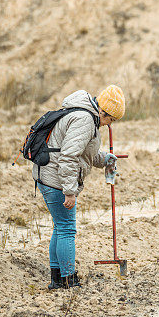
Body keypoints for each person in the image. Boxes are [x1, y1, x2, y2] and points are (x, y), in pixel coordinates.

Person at [34, 85, 126, 288]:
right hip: (55, 179)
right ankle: (68, 279)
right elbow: (68, 157)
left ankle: (57, 279)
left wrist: (105, 159)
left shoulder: (86, 116)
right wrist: (69, 191)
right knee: (67, 228)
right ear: (104, 111)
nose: (109, 125)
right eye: (111, 120)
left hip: (49, 175)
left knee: (60, 227)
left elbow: (83, 153)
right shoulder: (85, 120)